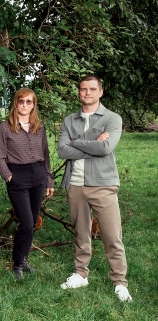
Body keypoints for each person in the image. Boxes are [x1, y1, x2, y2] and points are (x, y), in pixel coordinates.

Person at [58, 75, 132, 302]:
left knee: (112, 235)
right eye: (83, 89)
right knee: (81, 233)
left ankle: (120, 282)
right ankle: (81, 274)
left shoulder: (112, 118)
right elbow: (62, 151)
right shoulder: (69, 120)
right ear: (79, 93)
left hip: (103, 184)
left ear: (101, 91)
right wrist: (92, 141)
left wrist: (76, 142)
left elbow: (106, 147)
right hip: (76, 184)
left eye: (92, 89)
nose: (87, 93)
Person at [0, 88, 54, 280]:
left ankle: (25, 259)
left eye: (29, 102)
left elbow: (45, 155)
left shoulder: (39, 127)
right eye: (22, 102)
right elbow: (0, 156)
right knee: (26, 223)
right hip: (17, 176)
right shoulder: (6, 127)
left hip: (38, 175)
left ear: (33, 105)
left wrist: (49, 180)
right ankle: (17, 264)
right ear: (16, 103)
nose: (25, 105)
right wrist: (9, 176)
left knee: (33, 221)